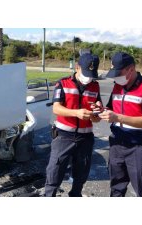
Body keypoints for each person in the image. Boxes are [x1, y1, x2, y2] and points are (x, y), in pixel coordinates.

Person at [98, 52, 142, 197]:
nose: (115, 77)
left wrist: (118, 117)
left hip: (140, 147)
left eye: (118, 73)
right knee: (116, 190)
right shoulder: (118, 86)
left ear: (131, 69)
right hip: (117, 145)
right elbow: (111, 108)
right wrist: (101, 109)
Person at [45, 53, 102, 197]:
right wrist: (76, 113)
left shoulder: (95, 86)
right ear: (77, 67)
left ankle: (75, 195)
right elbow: (56, 108)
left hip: (85, 138)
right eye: (86, 73)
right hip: (64, 136)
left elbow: (96, 118)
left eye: (92, 74)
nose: (89, 77)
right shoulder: (63, 83)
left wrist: (97, 115)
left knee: (81, 173)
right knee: (54, 172)